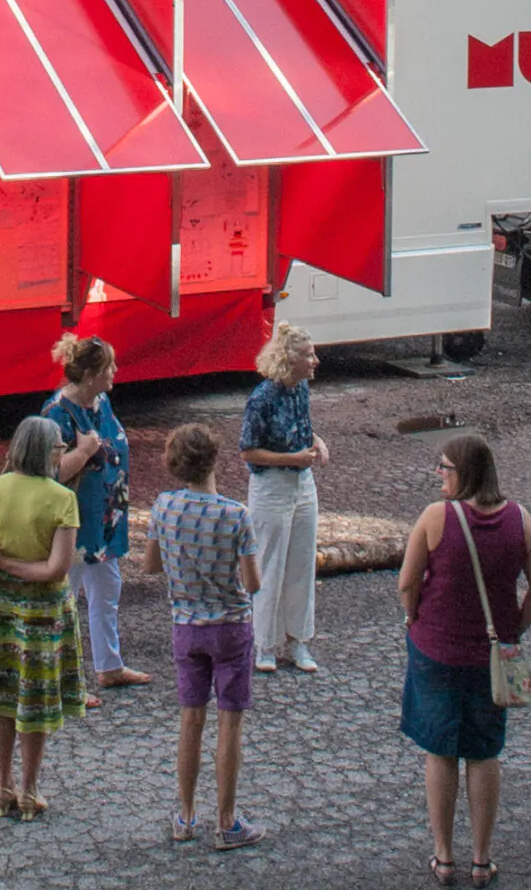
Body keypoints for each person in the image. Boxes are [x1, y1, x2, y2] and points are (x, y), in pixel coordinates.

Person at [396, 431, 531, 890]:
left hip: (437, 649)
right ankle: (482, 859)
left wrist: (413, 617)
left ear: (461, 473)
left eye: (444, 467)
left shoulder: (436, 517)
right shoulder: (520, 520)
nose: (439, 475)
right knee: (485, 752)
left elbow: (408, 583)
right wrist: (515, 628)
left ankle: (444, 856)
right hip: (492, 656)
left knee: (440, 751)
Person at [0, 414, 87, 819]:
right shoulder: (62, 499)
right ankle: (29, 789)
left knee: (1, 698)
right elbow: (54, 570)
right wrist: (10, 562)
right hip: (41, 613)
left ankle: (2, 784)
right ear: (50, 453)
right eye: (61, 447)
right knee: (34, 702)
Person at [137, 422, 265, 849]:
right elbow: (253, 583)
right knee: (230, 723)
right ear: (214, 459)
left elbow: (151, 566)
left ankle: (186, 815)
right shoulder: (235, 514)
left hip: (185, 625)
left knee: (190, 720)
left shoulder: (163, 506)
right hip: (230, 626)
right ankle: (226, 821)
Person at [41, 332, 148, 695]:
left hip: (104, 519)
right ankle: (61, 680)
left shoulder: (100, 402)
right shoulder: (57, 413)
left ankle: (109, 665)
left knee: (107, 590)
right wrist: (85, 452)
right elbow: (51, 472)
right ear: (89, 376)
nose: (115, 372)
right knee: (65, 600)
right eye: (108, 367)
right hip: (74, 522)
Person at [239, 321, 327, 673]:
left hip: (302, 483)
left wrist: (316, 441)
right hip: (272, 487)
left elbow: (301, 425)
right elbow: (248, 451)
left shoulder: (301, 388)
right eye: (308, 355)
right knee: (270, 563)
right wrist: (291, 459)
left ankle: (298, 640)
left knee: (301, 563)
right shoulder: (262, 398)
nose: (315, 361)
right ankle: (264, 643)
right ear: (290, 360)